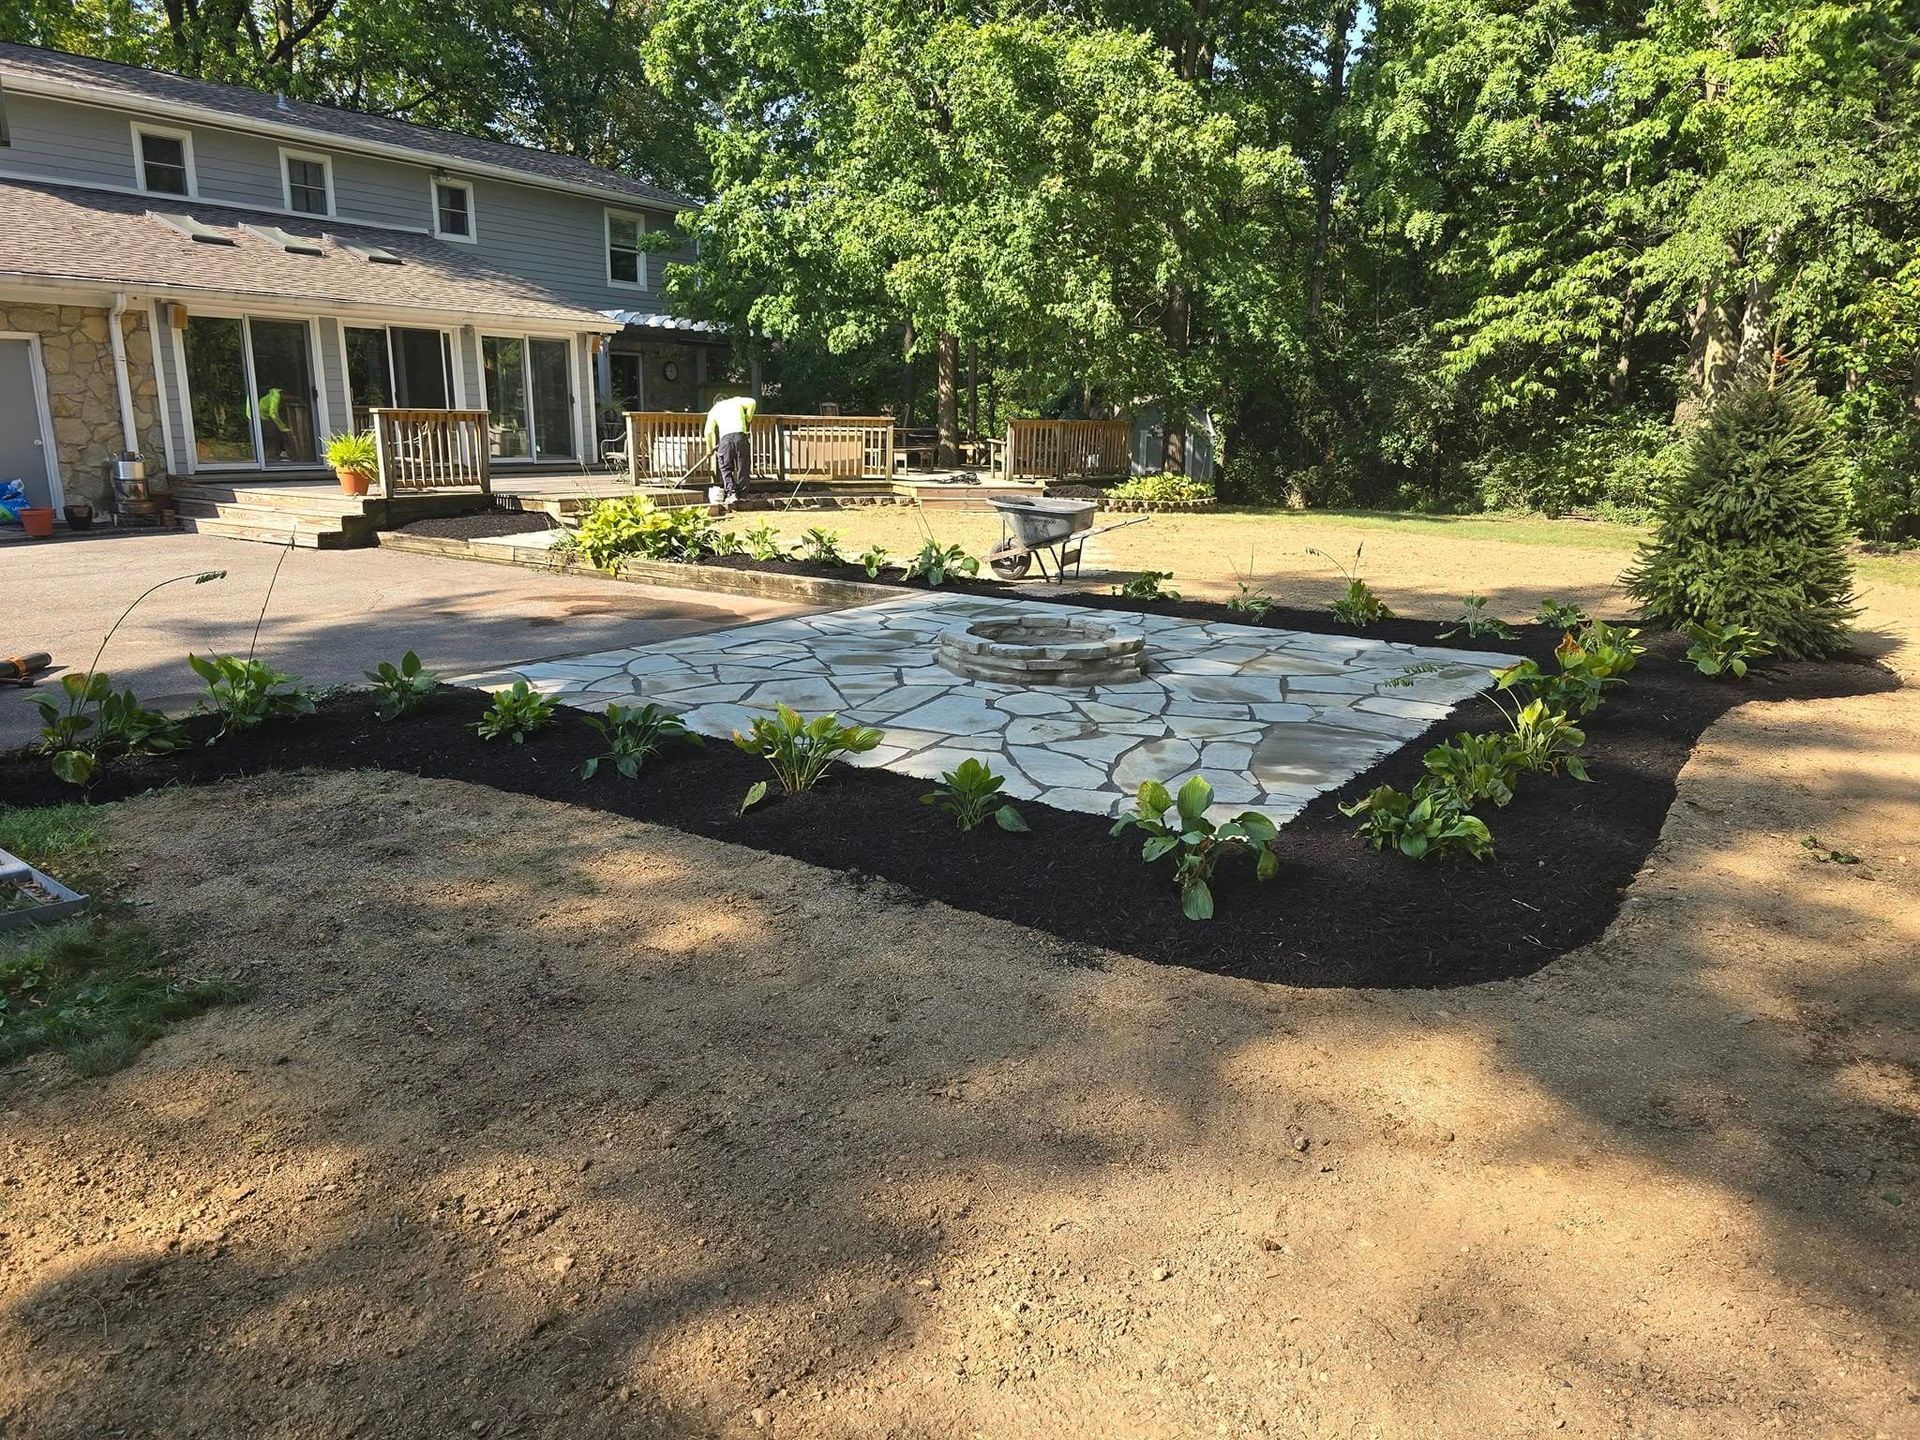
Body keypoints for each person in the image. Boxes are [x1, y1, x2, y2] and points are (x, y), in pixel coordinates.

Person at [702, 391, 757, 505]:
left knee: (725, 467)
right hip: (740, 437)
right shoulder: (736, 401)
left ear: (716, 402)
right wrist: (748, 417)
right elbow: (752, 402)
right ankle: (742, 495)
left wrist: (709, 448)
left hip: (725, 440)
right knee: (743, 466)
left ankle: (731, 493)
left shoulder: (714, 409)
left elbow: (708, 431)